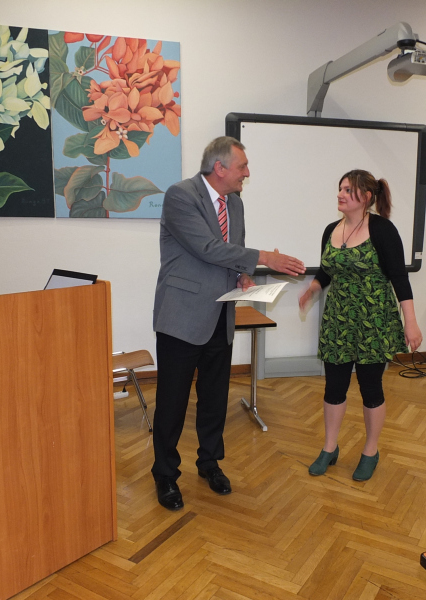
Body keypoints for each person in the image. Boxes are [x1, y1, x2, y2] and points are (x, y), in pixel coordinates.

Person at [152, 136, 305, 511]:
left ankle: (209, 463)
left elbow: (230, 255)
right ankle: (165, 474)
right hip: (182, 316)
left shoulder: (234, 203)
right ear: (219, 168)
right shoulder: (180, 195)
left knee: (215, 398)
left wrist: (242, 276)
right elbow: (206, 248)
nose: (247, 173)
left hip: (221, 314)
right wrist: (265, 257)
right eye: (242, 166)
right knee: (172, 402)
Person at [299, 169, 422, 482]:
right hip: (338, 321)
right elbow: (326, 271)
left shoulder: (383, 230)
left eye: (347, 190)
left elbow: (400, 278)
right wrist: (313, 288)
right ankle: (329, 448)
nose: (340, 194)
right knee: (334, 387)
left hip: (373, 321)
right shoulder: (331, 230)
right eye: (340, 188)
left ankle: (370, 450)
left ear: (366, 197)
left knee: (371, 388)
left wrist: (411, 323)